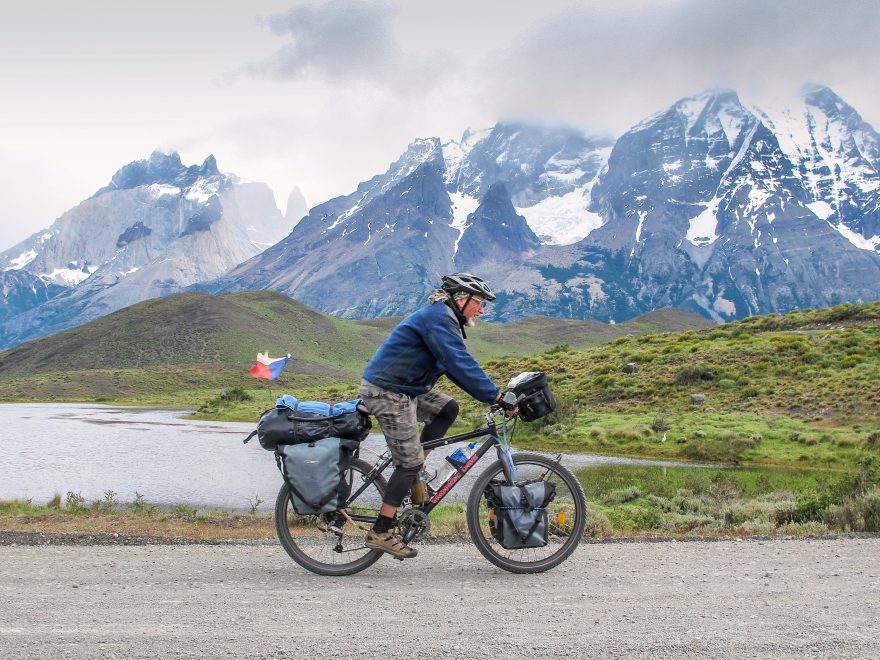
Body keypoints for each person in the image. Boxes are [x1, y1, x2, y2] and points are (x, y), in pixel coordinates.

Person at [359, 272, 509, 558]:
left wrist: (491, 394)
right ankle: (380, 531)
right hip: (387, 391)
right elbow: (459, 363)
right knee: (408, 461)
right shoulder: (439, 319)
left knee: (447, 408)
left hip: (407, 387)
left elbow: (455, 367)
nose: (483, 309)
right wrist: (496, 396)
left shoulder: (445, 318)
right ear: (460, 299)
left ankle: (417, 476)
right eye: (479, 302)